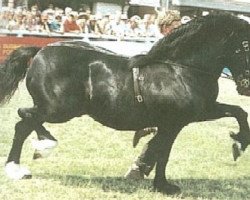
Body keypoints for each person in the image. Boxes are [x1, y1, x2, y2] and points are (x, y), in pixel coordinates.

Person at [125, 10, 183, 180]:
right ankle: (141, 167)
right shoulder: (163, 45)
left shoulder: (172, 44)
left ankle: (141, 165)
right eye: (175, 27)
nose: (179, 31)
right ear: (165, 28)